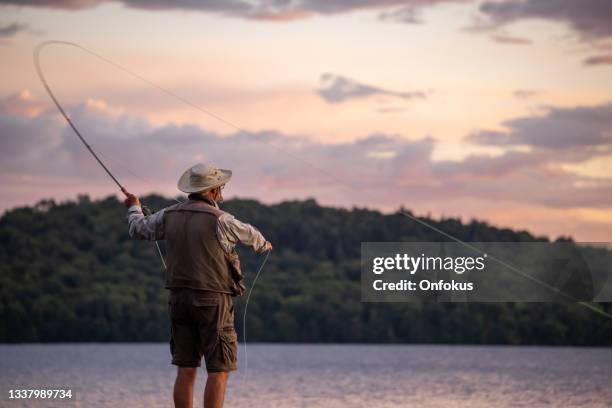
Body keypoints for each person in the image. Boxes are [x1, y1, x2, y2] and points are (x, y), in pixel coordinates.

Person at [122, 163, 272, 408]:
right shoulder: (222, 219)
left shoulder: (168, 214)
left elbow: (139, 229)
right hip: (214, 301)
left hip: (178, 300)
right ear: (212, 191)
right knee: (218, 370)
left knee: (186, 369)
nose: (221, 192)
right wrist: (264, 244)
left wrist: (134, 208)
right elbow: (253, 236)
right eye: (220, 188)